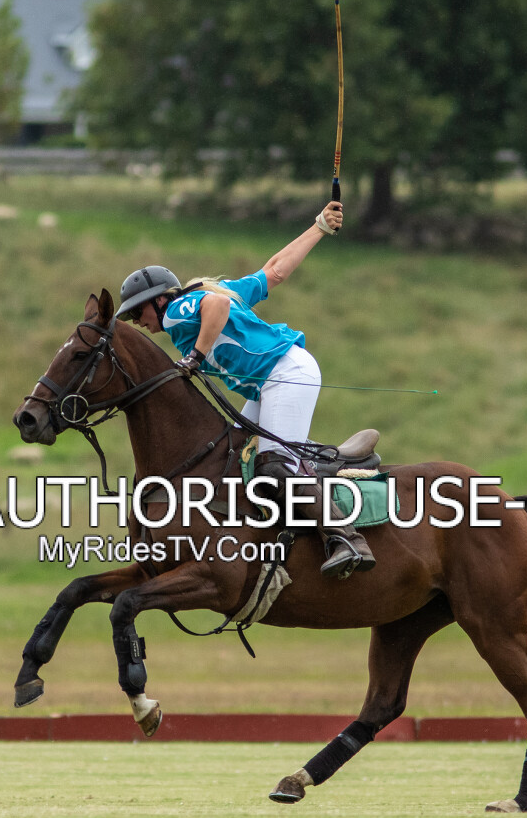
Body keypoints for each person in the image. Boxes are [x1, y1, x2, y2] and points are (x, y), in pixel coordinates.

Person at [116, 200, 375, 579]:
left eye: (138, 311)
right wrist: (319, 226)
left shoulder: (176, 312)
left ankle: (347, 539)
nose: (137, 321)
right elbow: (275, 271)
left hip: (285, 372)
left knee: (274, 466)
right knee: (235, 453)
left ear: (159, 300)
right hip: (278, 378)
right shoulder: (214, 293)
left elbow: (218, 306)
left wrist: (195, 356)